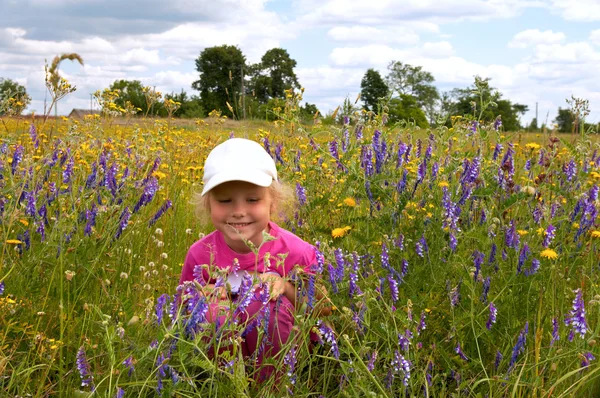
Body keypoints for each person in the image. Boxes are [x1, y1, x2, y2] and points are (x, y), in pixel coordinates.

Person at [179, 137, 330, 383]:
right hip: (222, 355)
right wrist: (204, 293)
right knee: (215, 313)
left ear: (273, 202)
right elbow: (182, 308)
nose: (238, 211)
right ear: (208, 205)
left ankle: (271, 387)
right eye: (225, 200)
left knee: (269, 308)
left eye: (252, 200)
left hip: (284, 354)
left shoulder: (295, 251)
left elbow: (323, 308)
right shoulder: (200, 254)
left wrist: (286, 286)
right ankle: (226, 385)